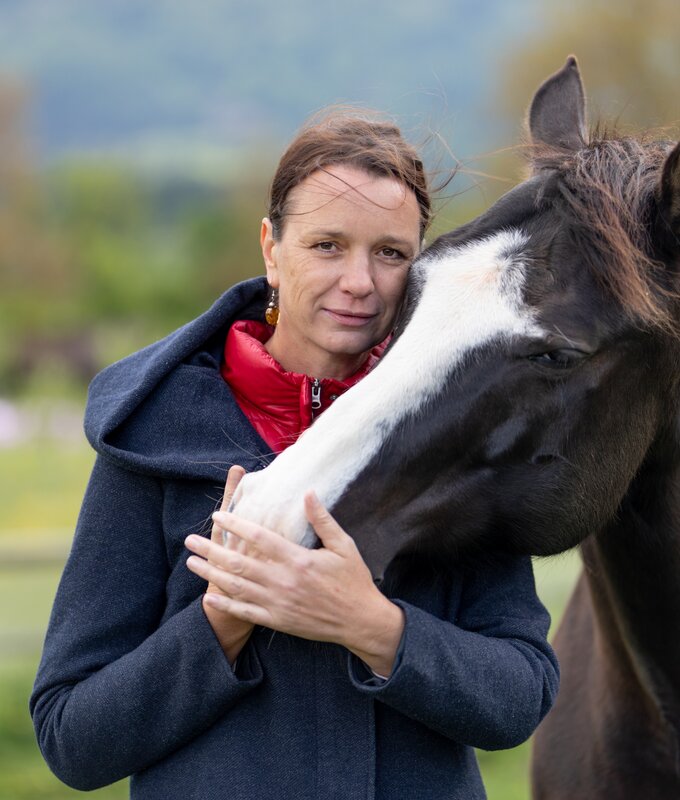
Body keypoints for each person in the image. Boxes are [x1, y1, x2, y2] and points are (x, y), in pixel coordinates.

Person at [31, 111, 559, 800]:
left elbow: (521, 695)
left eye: (391, 253)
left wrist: (372, 627)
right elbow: (73, 737)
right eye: (327, 245)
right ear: (271, 248)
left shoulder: (457, 437)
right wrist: (225, 617)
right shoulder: (153, 434)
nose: (360, 281)